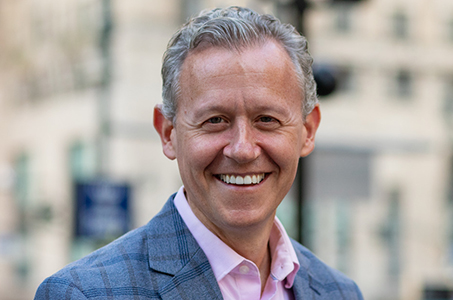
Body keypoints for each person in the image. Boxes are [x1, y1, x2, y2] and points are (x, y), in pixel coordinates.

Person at [35, 6, 363, 300]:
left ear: (307, 131)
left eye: (267, 120)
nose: (243, 149)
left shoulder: (339, 292)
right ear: (168, 133)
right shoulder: (83, 294)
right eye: (215, 120)